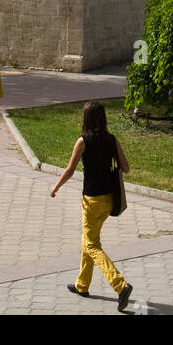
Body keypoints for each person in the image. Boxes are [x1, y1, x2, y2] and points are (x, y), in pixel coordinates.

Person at [49, 100, 133, 311]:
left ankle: (120, 285)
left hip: (92, 201)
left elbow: (69, 170)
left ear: (86, 119)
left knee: (92, 245)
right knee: (88, 239)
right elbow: (126, 168)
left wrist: (55, 187)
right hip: (109, 200)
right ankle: (82, 285)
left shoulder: (83, 141)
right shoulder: (112, 140)